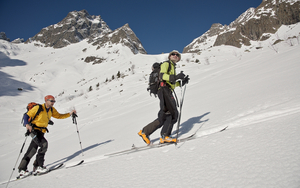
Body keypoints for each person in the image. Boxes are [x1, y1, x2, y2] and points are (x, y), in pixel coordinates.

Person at [18, 95, 76, 177]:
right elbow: (26, 115)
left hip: (42, 131)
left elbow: (59, 116)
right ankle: (39, 166)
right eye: (51, 101)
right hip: (34, 130)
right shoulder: (39, 108)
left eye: (54, 101)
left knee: (32, 150)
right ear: (46, 100)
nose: (53, 103)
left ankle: (22, 169)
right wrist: (27, 125)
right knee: (44, 144)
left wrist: (70, 114)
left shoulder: (51, 110)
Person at [138, 50, 189, 144]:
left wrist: (181, 82)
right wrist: (176, 77)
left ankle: (145, 132)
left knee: (163, 116)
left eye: (177, 55)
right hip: (164, 90)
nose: (175, 55)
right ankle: (165, 136)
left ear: (178, 59)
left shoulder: (172, 67)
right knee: (172, 113)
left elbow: (171, 83)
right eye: (173, 54)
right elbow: (162, 76)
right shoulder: (166, 64)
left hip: (165, 90)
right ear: (169, 56)